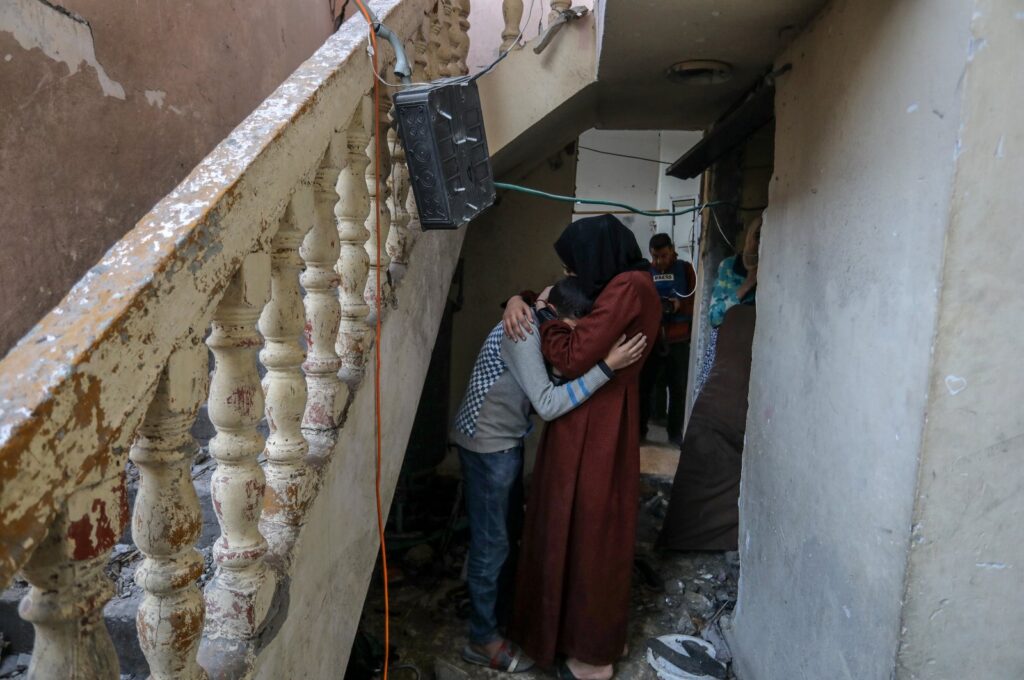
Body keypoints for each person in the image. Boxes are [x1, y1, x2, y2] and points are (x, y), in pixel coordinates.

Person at [452, 276, 647, 674]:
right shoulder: (525, 331)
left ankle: (495, 620)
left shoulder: (540, 309)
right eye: (572, 331)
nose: (571, 342)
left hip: (503, 439)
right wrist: (607, 367)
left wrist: (513, 297)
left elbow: (544, 294)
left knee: (504, 537)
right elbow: (547, 404)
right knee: (493, 546)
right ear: (556, 315)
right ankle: (482, 639)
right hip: (488, 445)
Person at [504, 214, 661, 680]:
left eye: (575, 266)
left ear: (596, 257)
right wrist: (521, 299)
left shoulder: (630, 287)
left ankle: (592, 654)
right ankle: (583, 640)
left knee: (586, 538)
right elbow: (575, 306)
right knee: (579, 532)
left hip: (595, 423)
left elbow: (571, 355)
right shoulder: (626, 282)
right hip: (597, 415)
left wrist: (544, 316)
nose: (571, 275)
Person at [639, 233, 697, 446]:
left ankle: (674, 434)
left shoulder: (686, 270)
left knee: (678, 389)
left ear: (672, 250)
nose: (659, 261)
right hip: (652, 340)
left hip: (678, 340)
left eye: (663, 255)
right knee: (645, 387)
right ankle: (640, 432)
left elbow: (695, 300)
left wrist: (679, 306)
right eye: (655, 257)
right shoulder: (645, 272)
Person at [696, 215, 761, 393]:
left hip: (751, 354)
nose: (761, 242)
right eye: (757, 235)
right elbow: (715, 317)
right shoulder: (730, 266)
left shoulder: (772, 270)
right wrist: (748, 284)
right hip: (725, 350)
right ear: (748, 237)